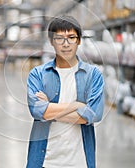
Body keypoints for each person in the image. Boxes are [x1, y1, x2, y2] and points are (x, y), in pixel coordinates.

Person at [26, 15, 104, 168]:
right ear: (51, 42)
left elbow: (93, 114)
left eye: (71, 37)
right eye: (59, 38)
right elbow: (37, 111)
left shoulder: (93, 75)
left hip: (79, 161)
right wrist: (76, 105)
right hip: (44, 161)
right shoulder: (38, 74)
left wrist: (49, 107)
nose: (66, 44)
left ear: (79, 40)